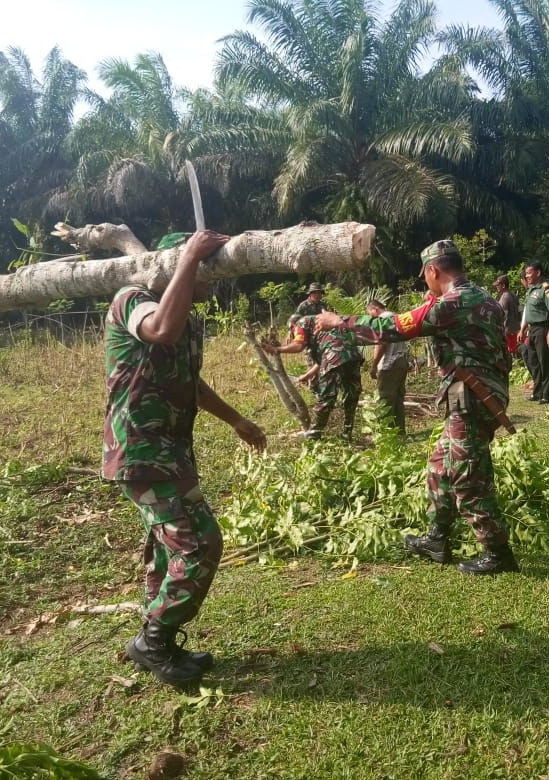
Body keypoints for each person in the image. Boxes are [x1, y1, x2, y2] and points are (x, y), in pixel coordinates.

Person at [102, 230, 268, 689]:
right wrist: (192, 255)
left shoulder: (188, 320)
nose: (213, 280)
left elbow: (191, 382)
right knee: (199, 543)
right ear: (176, 268)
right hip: (140, 449)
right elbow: (158, 330)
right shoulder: (131, 300)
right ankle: (153, 641)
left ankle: (158, 642)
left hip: (170, 451)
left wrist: (237, 420)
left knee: (167, 547)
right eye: (206, 270)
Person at [314, 240, 519, 575]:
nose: (425, 281)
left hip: (471, 396)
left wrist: (340, 322)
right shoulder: (481, 296)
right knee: (440, 467)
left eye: (425, 275)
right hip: (477, 393)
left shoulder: (452, 303)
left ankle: (498, 552)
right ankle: (437, 538)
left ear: (433, 270)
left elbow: (396, 327)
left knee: (468, 475)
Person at [265, 313, 363, 439]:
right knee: (351, 394)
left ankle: (315, 432)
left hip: (334, 355)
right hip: (352, 355)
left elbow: (299, 345)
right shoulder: (321, 327)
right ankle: (347, 432)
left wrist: (277, 349)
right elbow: (321, 361)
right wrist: (306, 376)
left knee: (326, 396)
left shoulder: (300, 323)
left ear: (292, 326)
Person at [365, 299, 410, 435]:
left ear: (375, 309)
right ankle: (400, 432)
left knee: (385, 400)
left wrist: (374, 366)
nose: (370, 316)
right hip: (402, 361)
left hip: (389, 364)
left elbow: (382, 345)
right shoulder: (396, 318)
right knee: (398, 399)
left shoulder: (382, 320)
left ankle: (386, 433)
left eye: (370, 312)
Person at [519, 260, 549, 404]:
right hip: (532, 330)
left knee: (545, 362)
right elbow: (529, 312)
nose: (526, 276)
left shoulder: (546, 289)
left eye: (529, 273)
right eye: (526, 273)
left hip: (543, 329)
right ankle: (537, 392)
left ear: (538, 273)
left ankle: (548, 395)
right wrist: (523, 329)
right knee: (533, 362)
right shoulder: (531, 290)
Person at [492, 275, 520, 355]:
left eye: (498, 285)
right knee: (515, 351)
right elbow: (519, 311)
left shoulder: (505, 297)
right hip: (516, 329)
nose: (497, 287)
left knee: (509, 353)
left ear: (503, 285)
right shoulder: (514, 295)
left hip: (508, 331)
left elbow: (502, 316)